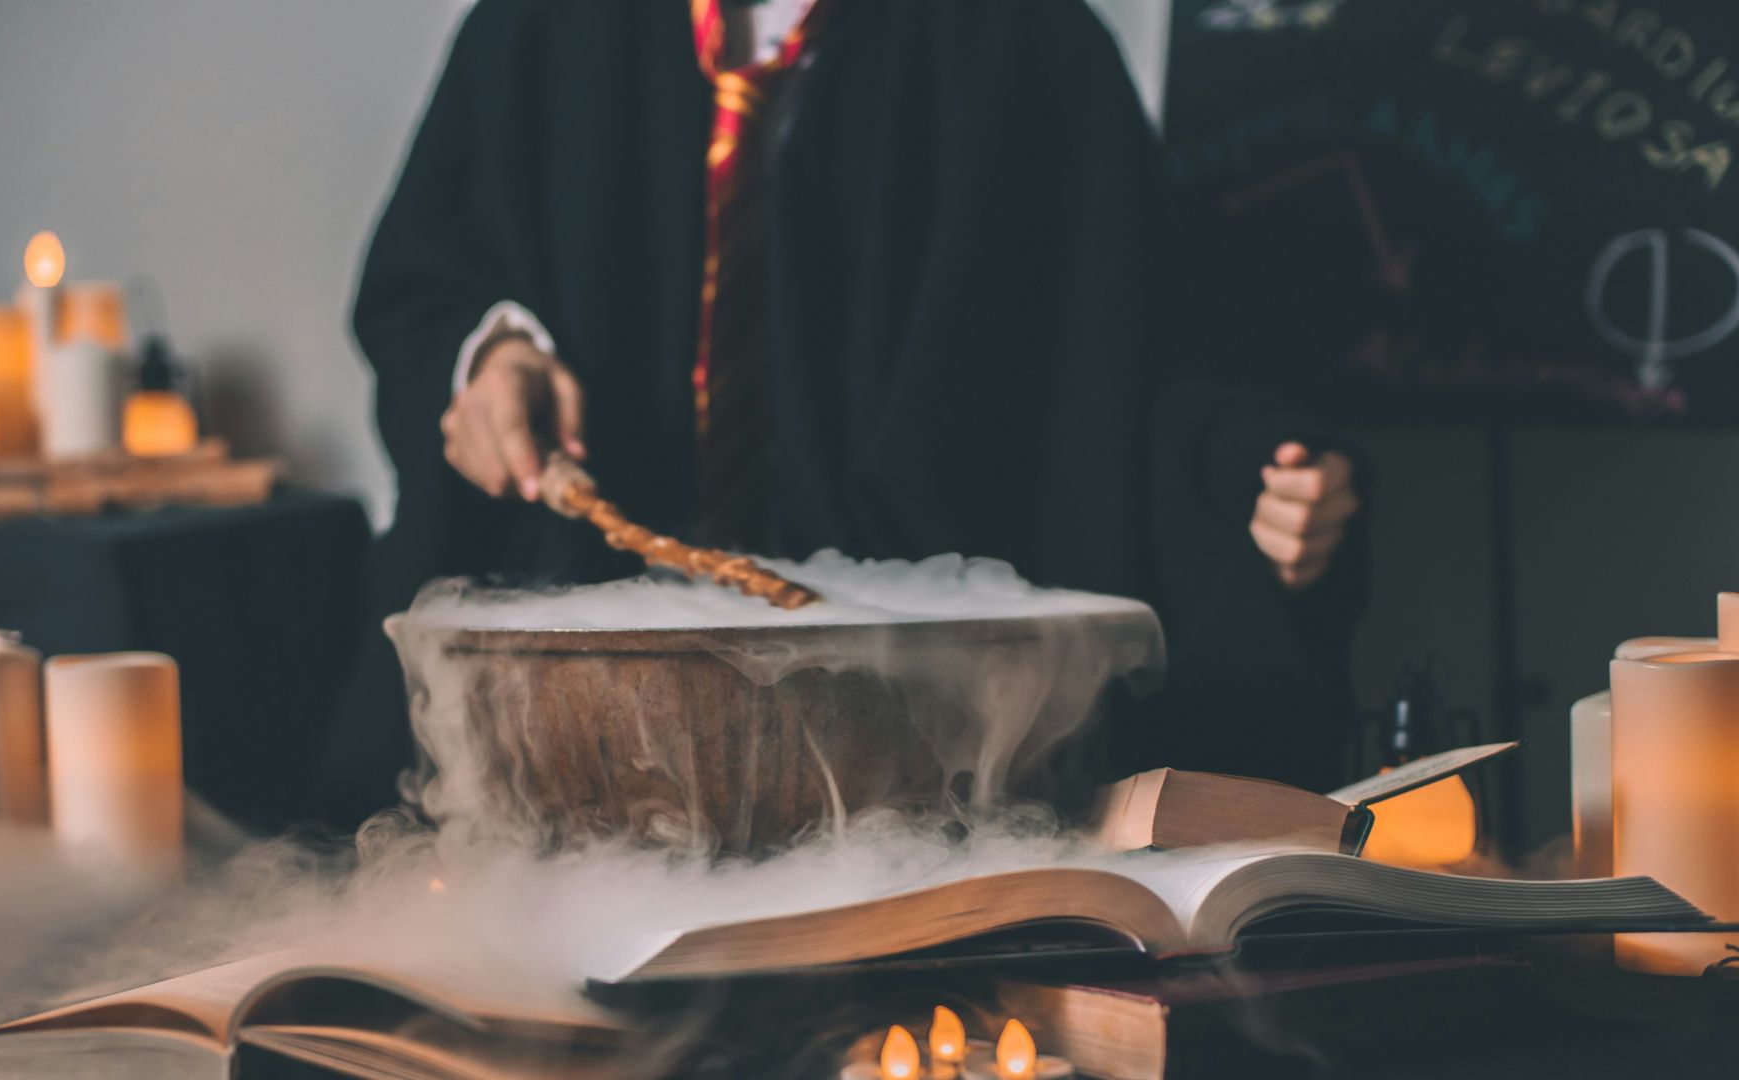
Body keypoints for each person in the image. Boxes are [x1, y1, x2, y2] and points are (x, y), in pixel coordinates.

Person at [313, 0, 1364, 828]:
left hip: (918, 735)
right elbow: (423, 288)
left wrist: (1245, 485)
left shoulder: (1028, 47)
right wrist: (487, 356)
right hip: (583, 735)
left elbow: (1137, 363)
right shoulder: (536, 34)